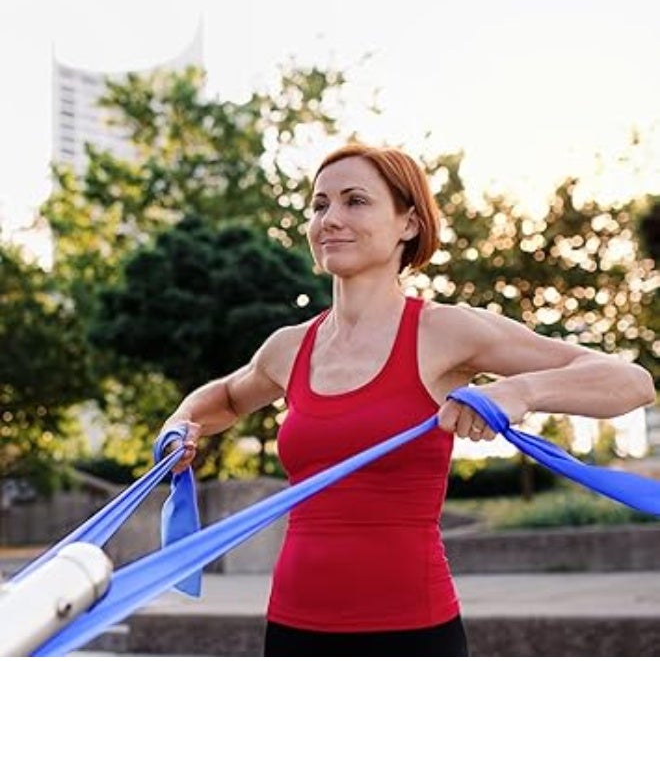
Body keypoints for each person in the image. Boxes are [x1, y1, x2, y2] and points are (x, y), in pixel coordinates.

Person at [160, 142, 655, 657]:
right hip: (292, 627)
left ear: (409, 224)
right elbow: (224, 398)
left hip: (413, 631)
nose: (330, 218)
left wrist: (517, 391)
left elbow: (629, 381)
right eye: (319, 204)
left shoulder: (445, 330)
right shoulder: (289, 347)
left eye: (355, 201)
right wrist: (180, 423)